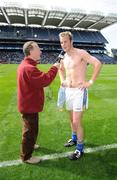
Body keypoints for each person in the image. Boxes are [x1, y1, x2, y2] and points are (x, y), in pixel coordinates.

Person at [58, 31, 102, 160]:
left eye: (65, 41)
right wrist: (62, 80)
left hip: (79, 91)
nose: (63, 44)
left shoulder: (81, 53)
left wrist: (90, 82)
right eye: (61, 42)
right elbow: (60, 69)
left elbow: (98, 64)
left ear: (71, 41)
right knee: (71, 119)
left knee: (77, 121)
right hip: (68, 91)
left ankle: (80, 149)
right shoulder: (63, 56)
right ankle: (74, 138)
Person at [17, 41, 60, 164]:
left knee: (32, 128)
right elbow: (45, 80)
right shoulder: (29, 68)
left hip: (28, 104)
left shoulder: (26, 65)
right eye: (38, 48)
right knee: (29, 131)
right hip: (29, 106)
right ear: (31, 51)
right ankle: (26, 157)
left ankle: (31, 145)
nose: (41, 51)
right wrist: (55, 67)